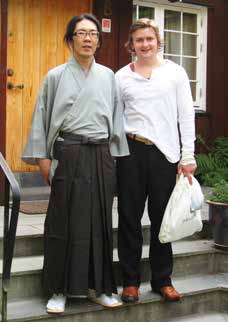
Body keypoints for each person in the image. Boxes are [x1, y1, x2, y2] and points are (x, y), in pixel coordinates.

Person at [22, 13, 129, 313]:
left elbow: (117, 120)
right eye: (81, 33)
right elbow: (41, 118)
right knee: (62, 221)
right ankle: (58, 290)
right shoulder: (56, 75)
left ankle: (100, 287)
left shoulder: (108, 76)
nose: (87, 38)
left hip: (100, 154)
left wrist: (116, 158)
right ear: (70, 40)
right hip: (67, 152)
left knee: (101, 223)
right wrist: (43, 157)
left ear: (99, 40)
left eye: (93, 33)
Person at [115, 18, 197, 303]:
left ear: (158, 41)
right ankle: (130, 282)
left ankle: (162, 280)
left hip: (166, 156)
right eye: (139, 40)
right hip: (131, 152)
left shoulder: (175, 73)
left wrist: (188, 155)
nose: (145, 44)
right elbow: (116, 119)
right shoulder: (121, 77)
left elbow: (186, 115)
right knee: (129, 218)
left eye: (149, 39)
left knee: (163, 218)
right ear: (131, 45)